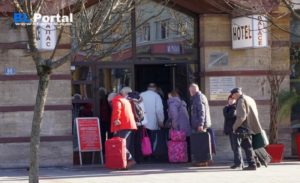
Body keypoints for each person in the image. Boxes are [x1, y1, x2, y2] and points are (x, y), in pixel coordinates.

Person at [230, 87, 265, 171]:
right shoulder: (249, 98)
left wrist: (234, 127)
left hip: (243, 128)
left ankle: (252, 164)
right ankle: (255, 162)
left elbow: (241, 116)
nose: (233, 97)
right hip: (251, 127)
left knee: (247, 146)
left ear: (236, 94)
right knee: (249, 146)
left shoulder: (240, 100)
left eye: (233, 95)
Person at [111, 87, 137, 168]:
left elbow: (117, 110)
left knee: (120, 144)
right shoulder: (126, 100)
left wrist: (116, 119)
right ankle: (124, 163)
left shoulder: (117, 99)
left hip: (122, 125)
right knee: (125, 144)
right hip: (129, 125)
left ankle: (130, 159)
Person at [189, 83, 212, 166]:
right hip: (200, 123)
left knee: (201, 143)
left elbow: (201, 111)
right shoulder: (200, 96)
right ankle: (202, 160)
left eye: (190, 91)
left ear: (193, 90)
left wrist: (200, 124)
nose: (190, 93)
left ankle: (202, 161)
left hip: (200, 124)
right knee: (202, 142)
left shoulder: (198, 97)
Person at [127, 91, 148, 163]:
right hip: (140, 124)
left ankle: (131, 159)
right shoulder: (140, 101)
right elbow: (143, 113)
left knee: (131, 142)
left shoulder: (128, 101)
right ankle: (139, 159)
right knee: (138, 142)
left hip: (131, 124)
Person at [223, 94, 239, 168]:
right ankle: (237, 162)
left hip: (235, 130)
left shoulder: (234, 107)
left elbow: (229, 115)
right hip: (230, 130)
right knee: (234, 147)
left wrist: (226, 108)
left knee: (236, 147)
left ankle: (237, 163)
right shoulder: (228, 108)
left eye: (232, 99)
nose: (230, 101)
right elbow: (225, 115)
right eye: (229, 99)